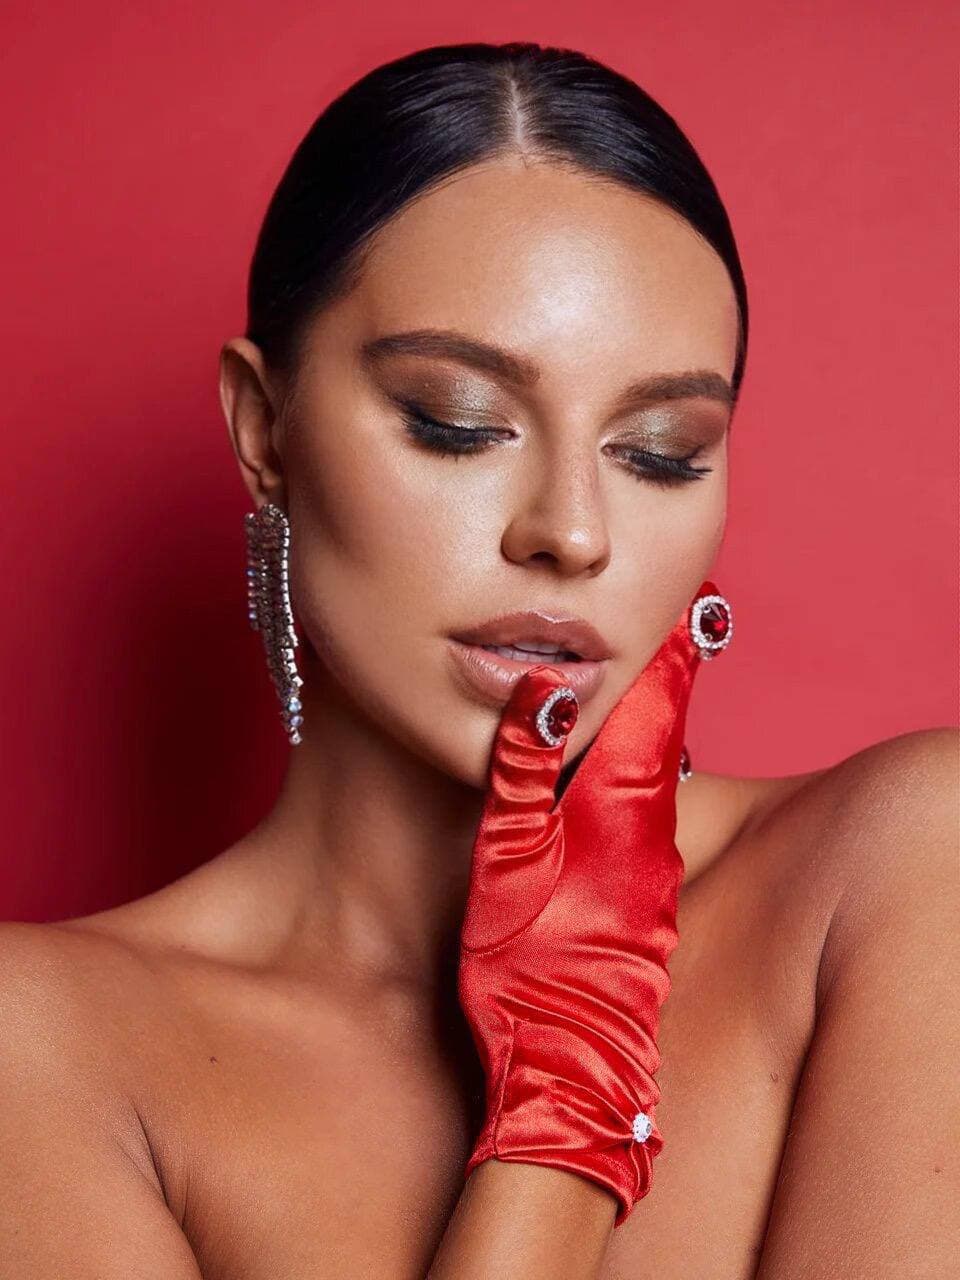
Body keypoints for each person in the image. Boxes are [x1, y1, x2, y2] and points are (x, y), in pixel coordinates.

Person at [1, 39, 956, 1280]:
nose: (571, 532)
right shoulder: (45, 1048)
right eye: (458, 424)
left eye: (661, 450)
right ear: (264, 429)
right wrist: (567, 1110)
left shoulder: (897, 874)